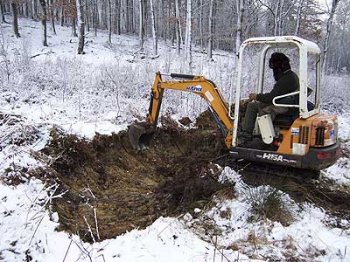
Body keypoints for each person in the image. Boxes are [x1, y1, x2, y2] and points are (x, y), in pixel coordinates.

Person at [239, 52, 300, 145]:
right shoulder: (292, 76)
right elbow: (275, 94)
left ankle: (249, 136)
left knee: (256, 107)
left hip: (285, 106)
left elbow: (271, 97)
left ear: (279, 68)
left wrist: (256, 96)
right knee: (255, 105)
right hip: (287, 102)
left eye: (274, 69)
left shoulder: (285, 80)